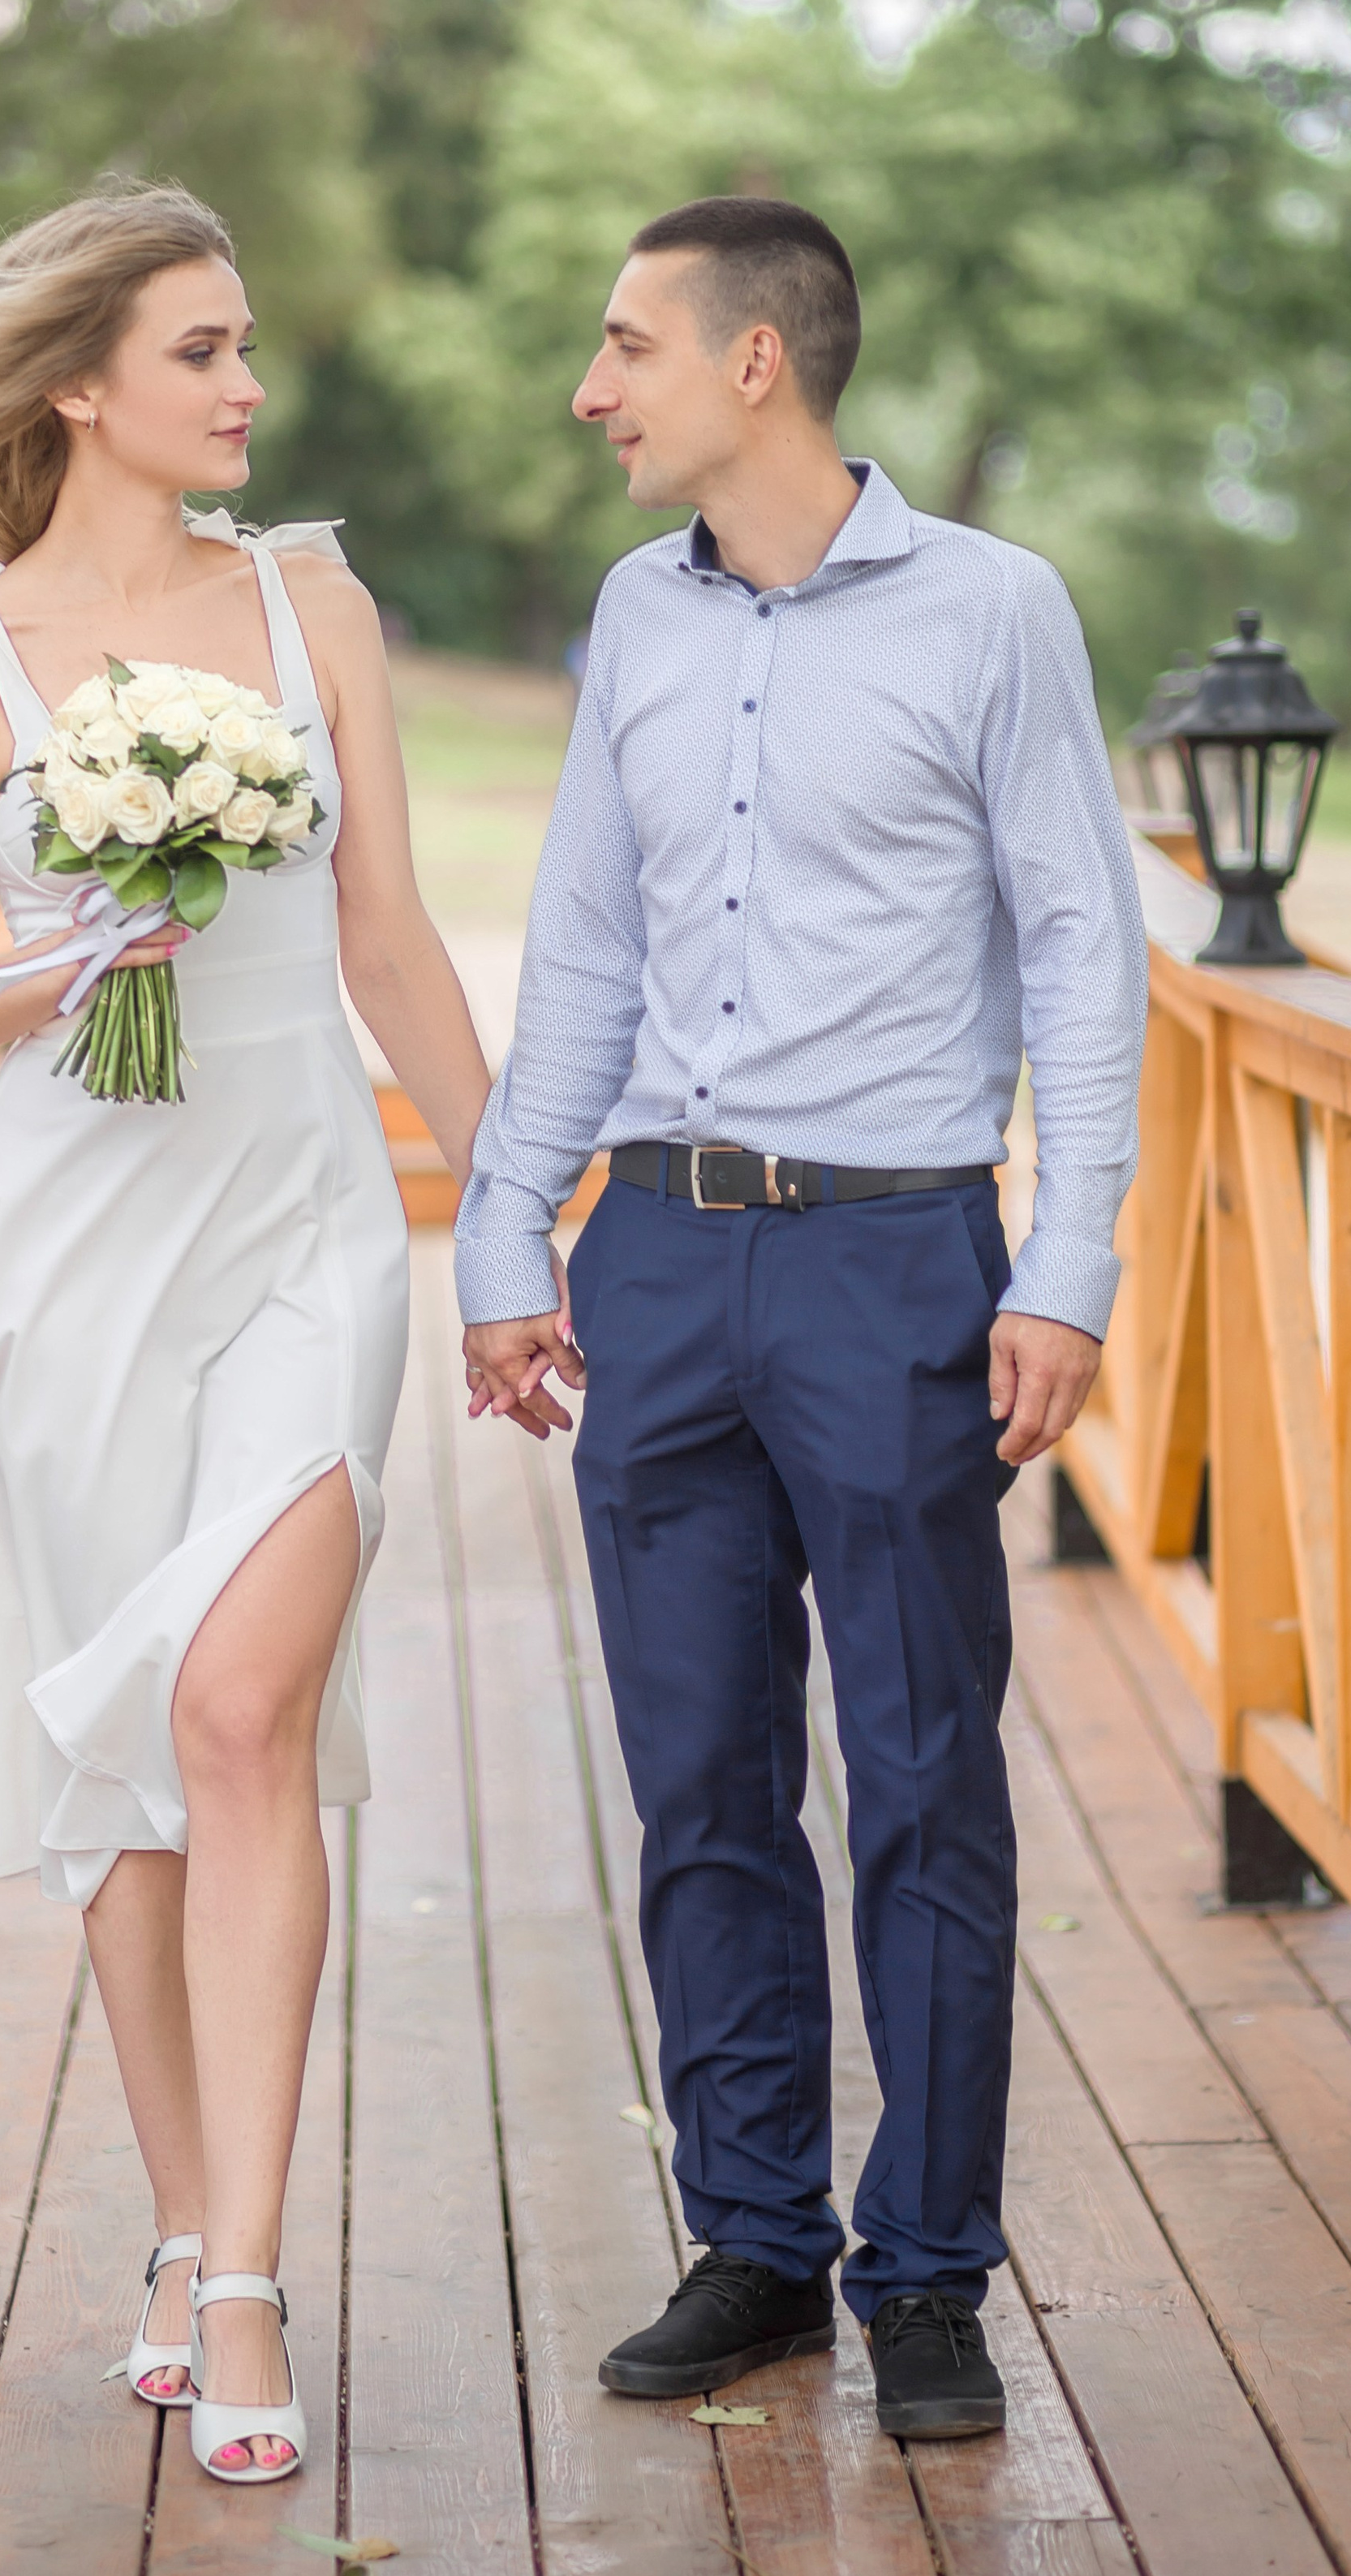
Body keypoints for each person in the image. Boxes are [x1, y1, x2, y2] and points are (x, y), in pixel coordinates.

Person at [0, 183, 489, 2483]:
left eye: (243, 345)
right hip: (71, 1253)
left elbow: (383, 937)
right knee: (134, 1791)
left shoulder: (315, 604)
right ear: (79, 383)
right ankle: (184, 2225)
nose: (244, 385)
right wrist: (75, 960)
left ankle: (257, 2269)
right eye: (200, 350)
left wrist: (517, 1208)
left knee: (236, 1705)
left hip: (302, 1224)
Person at [454, 196, 1146, 2440]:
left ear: (759, 364)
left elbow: (1083, 952)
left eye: (624, 344)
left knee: (928, 1782)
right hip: (657, 1259)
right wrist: (503, 1240)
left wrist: (1065, 1268)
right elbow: (579, 948)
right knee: (699, 1783)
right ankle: (758, 2239)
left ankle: (927, 2271)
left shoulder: (993, 613)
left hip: (897, 1263)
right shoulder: (632, 623)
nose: (593, 388)